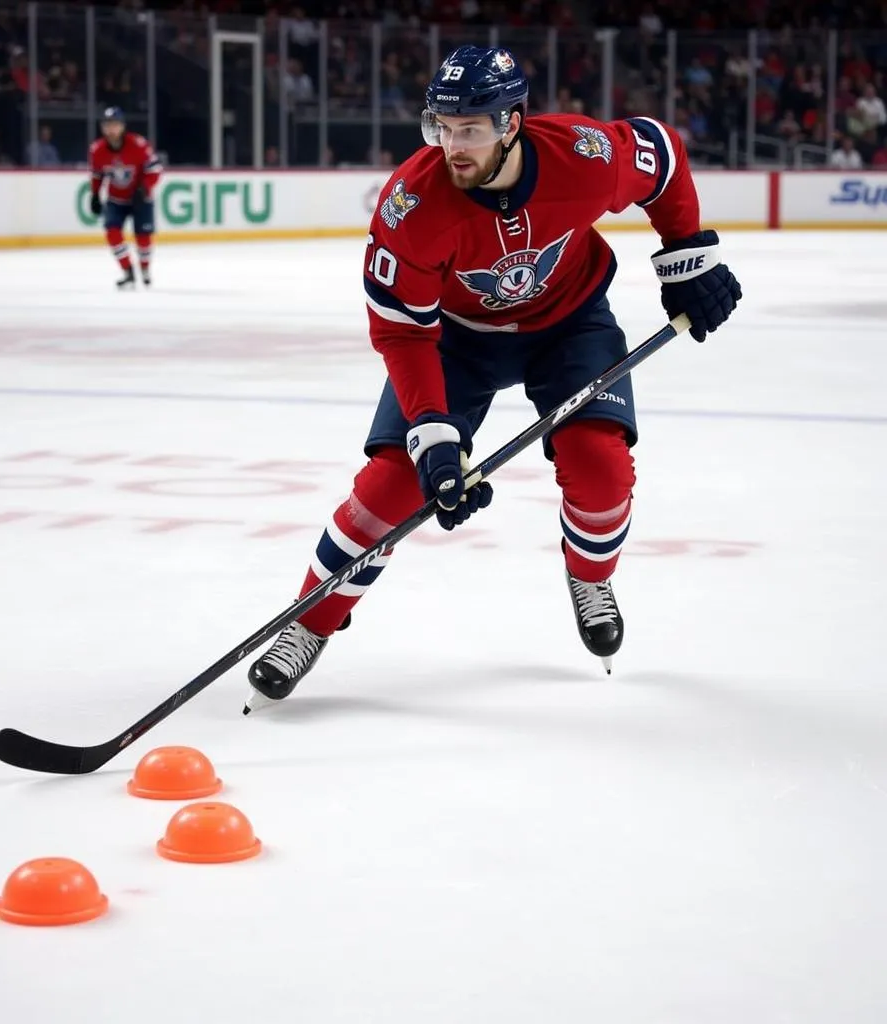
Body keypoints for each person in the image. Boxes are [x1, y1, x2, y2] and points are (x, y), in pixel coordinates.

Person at [244, 46, 742, 712]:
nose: (453, 144)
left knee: (599, 466)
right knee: (393, 484)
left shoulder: (582, 156)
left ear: (512, 122)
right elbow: (400, 331)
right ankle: (309, 621)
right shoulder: (410, 208)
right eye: (442, 126)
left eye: (471, 127)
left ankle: (589, 576)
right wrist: (431, 432)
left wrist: (688, 256)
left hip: (569, 325)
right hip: (456, 343)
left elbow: (661, 153)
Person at [88, 107, 162, 288]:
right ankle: (127, 271)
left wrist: (144, 189)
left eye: (115, 125)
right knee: (112, 231)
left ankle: (144, 268)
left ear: (122, 126)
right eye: (107, 125)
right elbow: (97, 175)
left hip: (140, 197)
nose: (111, 130)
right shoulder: (97, 150)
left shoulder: (138, 144)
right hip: (116, 199)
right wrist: (95, 194)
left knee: (143, 237)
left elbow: (154, 170)